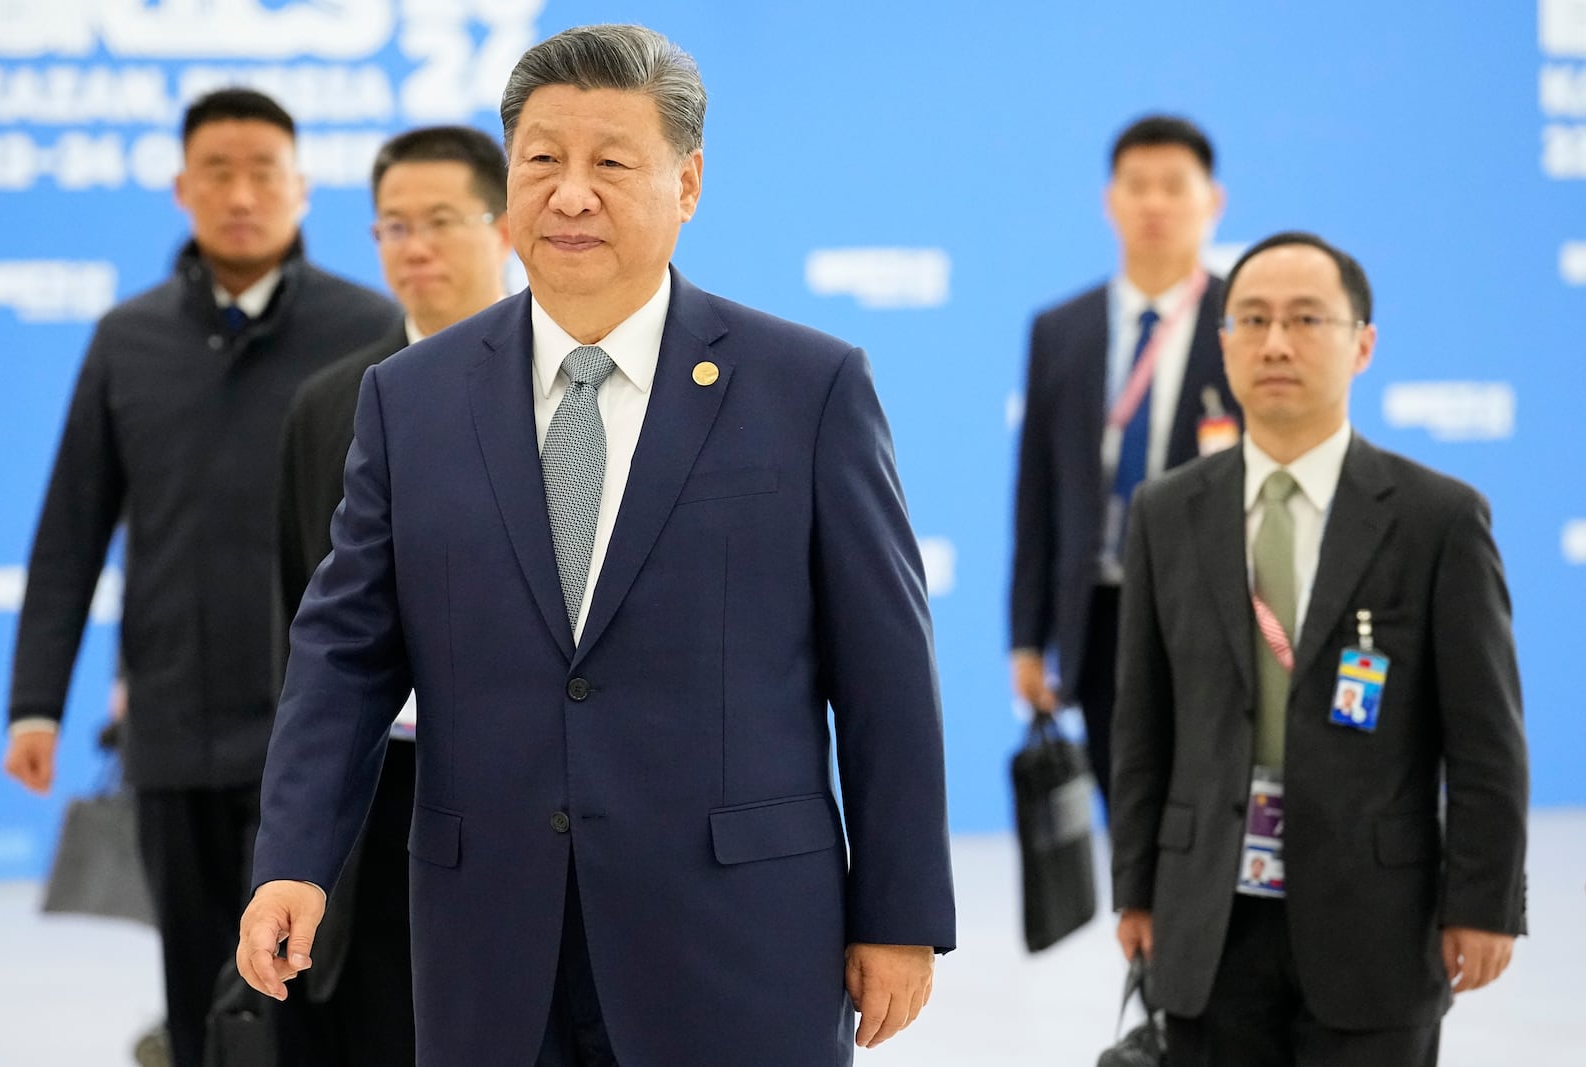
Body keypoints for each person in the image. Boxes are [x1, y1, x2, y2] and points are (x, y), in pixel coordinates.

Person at [237, 24, 954, 1067]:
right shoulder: (409, 398)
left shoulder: (806, 387)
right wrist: (293, 857)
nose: (571, 194)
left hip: (737, 934)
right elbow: (344, 650)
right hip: (491, 934)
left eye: (611, 163)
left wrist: (898, 909)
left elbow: (884, 670)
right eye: (542, 161)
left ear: (688, 183)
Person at [2, 88, 399, 1067]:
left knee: (332, 987)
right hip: (174, 725)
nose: (241, 193)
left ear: (302, 188)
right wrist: (33, 704)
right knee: (195, 990)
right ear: (181, 189)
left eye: (264, 170)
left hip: (321, 732)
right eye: (217, 172)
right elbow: (68, 528)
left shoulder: (369, 330)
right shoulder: (125, 339)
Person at [1109, 231, 1528, 1066]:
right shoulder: (1166, 511)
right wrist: (1138, 887)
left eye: (1307, 319)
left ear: (1362, 343)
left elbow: (1486, 736)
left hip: (1376, 921)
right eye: (1252, 320)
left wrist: (1484, 900)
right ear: (1222, 342)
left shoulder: (1436, 518)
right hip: (1208, 918)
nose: (1276, 343)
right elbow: (1142, 724)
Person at [273, 124, 513, 1066]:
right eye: (392, 226)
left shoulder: (570, 387)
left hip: (522, 784)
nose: (415, 246)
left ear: (503, 227)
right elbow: (304, 620)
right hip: (379, 792)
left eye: (441, 221)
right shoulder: (332, 402)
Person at [1010, 115, 1238, 807]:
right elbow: (1038, 493)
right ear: (1110, 200)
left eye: (1175, 185)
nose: (1155, 203)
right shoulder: (1061, 329)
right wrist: (1027, 638)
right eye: (1137, 186)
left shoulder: (1249, 322)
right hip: (1102, 611)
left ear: (1212, 201)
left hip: (1213, 609)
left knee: (1210, 805)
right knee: (1128, 808)